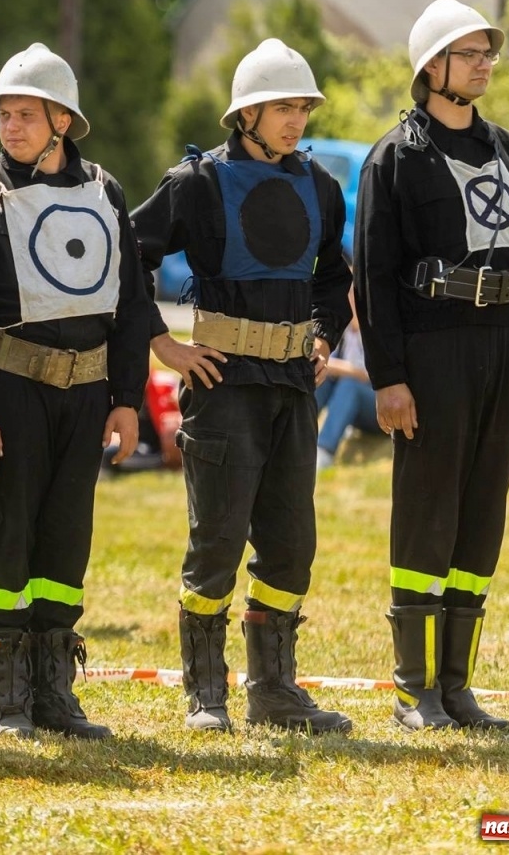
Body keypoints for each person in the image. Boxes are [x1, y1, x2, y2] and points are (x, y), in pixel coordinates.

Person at [133, 39, 353, 735]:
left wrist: (323, 337)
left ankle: (274, 692)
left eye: (303, 107)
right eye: (283, 107)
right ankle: (206, 695)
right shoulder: (196, 184)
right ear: (246, 113)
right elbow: (127, 253)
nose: (296, 120)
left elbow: (334, 277)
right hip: (222, 386)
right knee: (218, 542)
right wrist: (163, 344)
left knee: (291, 544)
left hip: (292, 386)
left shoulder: (321, 186)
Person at [355, 0, 509, 731]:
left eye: (486, 53)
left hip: (504, 347)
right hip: (432, 353)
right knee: (427, 512)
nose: (483, 64)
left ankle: (457, 686)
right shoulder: (395, 158)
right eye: (468, 53)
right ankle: (414, 690)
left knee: (481, 514)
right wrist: (389, 379)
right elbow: (373, 277)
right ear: (431, 67)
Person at [0, 44, 156, 738]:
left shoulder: (105, 191)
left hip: (86, 396)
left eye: (26, 115)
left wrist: (127, 399)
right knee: (6, 537)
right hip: (7, 392)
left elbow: (131, 302)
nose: (11, 127)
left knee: (66, 541)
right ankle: (9, 696)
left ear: (61, 121)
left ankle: (54, 693)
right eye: (4, 115)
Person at [315, 290, 381, 471]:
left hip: (378, 407)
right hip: (352, 405)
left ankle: (324, 450)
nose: (349, 300)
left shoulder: (375, 330)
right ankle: (301, 438)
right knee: (322, 381)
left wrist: (327, 363)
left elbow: (365, 374)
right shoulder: (342, 331)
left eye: (353, 295)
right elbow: (328, 363)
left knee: (349, 385)